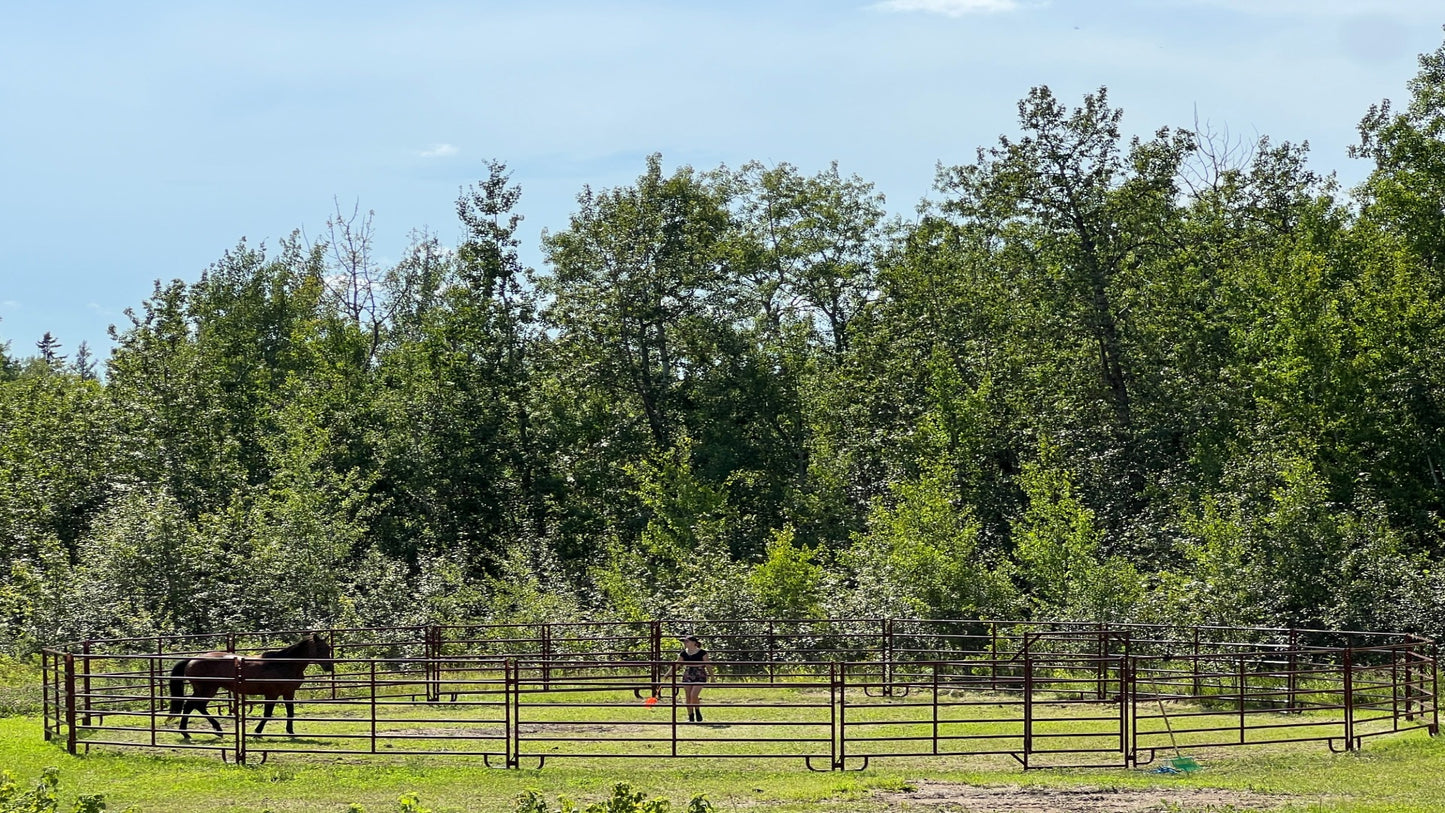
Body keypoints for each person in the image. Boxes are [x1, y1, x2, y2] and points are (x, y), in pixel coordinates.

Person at [674, 635, 713, 722]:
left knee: (693, 695)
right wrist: (669, 674)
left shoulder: (702, 652)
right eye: (684, 641)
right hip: (688, 673)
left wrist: (712, 676)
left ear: (694, 642)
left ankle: (697, 710)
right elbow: (677, 664)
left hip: (699, 673)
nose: (685, 643)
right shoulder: (683, 653)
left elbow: (707, 664)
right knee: (688, 696)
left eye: (687, 641)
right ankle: (691, 716)